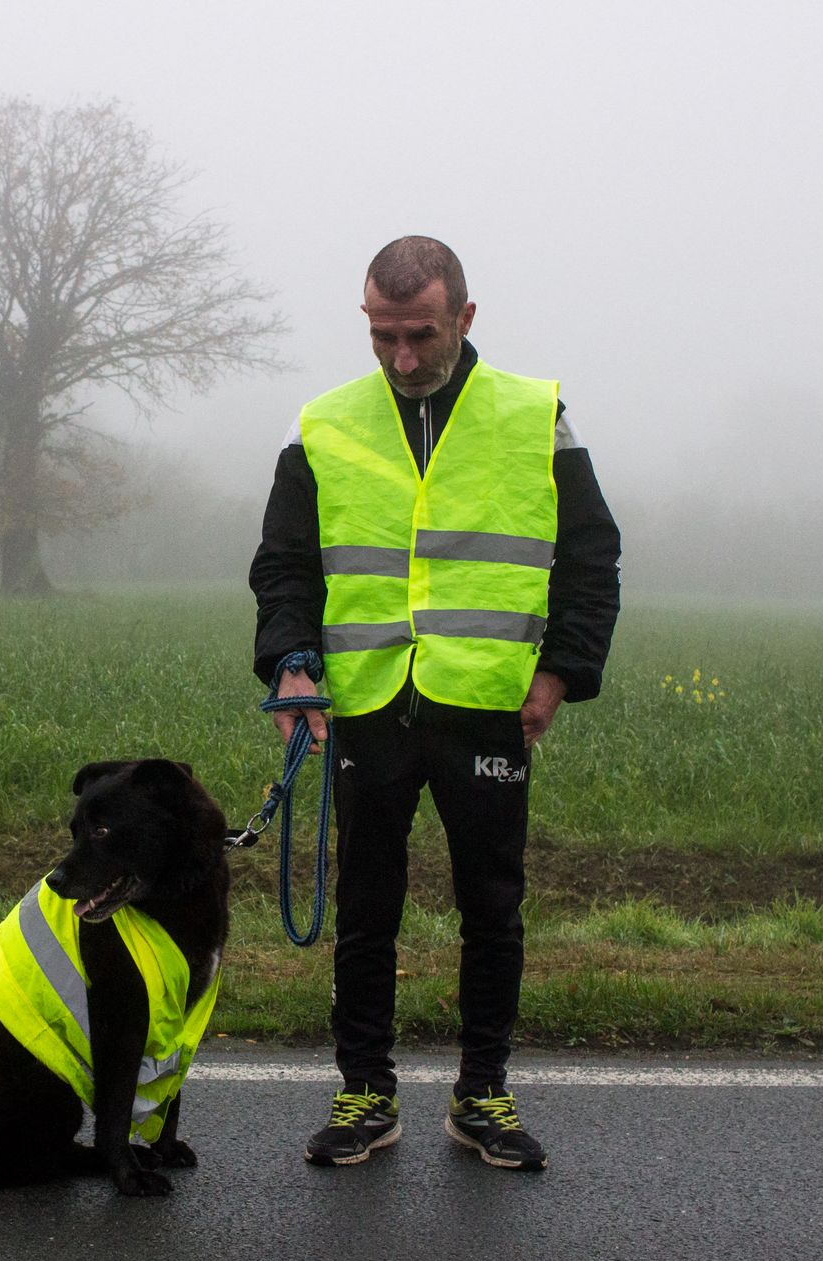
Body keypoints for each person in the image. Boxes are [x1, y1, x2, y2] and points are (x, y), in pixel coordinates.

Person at [249, 236, 620, 1170]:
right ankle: (365, 1091)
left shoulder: (537, 416)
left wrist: (562, 671)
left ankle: (482, 1092)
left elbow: (591, 558)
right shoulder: (324, 424)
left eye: (420, 335)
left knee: (491, 908)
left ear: (464, 317)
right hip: (366, 704)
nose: (403, 357)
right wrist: (292, 664)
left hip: (489, 709)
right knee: (367, 908)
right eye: (383, 336)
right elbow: (285, 564)